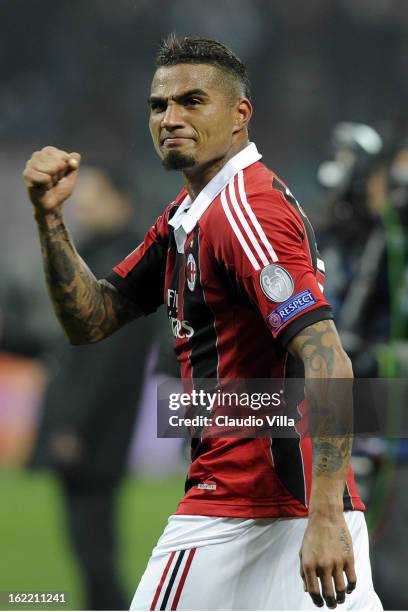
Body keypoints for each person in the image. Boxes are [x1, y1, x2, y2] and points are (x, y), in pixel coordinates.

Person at [23, 35, 381, 611]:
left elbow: (326, 358)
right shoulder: (186, 217)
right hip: (279, 511)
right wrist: (49, 219)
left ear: (240, 116)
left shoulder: (246, 212)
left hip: (249, 511)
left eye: (192, 101)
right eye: (159, 105)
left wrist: (325, 516)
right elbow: (92, 318)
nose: (170, 118)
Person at [28, 166, 154, 610]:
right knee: (90, 555)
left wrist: (71, 425)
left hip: (92, 438)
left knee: (95, 557)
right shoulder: (106, 256)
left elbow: (104, 360)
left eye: (93, 195)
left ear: (121, 203)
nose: (80, 204)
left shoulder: (120, 266)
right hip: (94, 434)